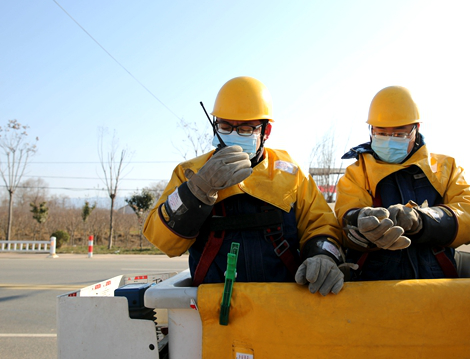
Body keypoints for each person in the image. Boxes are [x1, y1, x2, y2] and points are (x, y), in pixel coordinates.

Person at [144, 76, 345, 295]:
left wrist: (323, 256)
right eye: (225, 126)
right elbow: (162, 240)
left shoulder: (290, 174)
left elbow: (322, 225)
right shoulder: (190, 172)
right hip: (214, 309)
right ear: (215, 126)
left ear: (265, 132)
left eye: (246, 129)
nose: (233, 134)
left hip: (284, 305)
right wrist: (197, 191)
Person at [335, 86, 470, 280]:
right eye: (381, 133)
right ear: (371, 130)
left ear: (417, 129)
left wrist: (423, 220)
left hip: (436, 286)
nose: (389, 140)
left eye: (399, 134)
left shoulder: (444, 168)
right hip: (374, 288)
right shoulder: (357, 174)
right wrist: (361, 222)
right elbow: (345, 221)